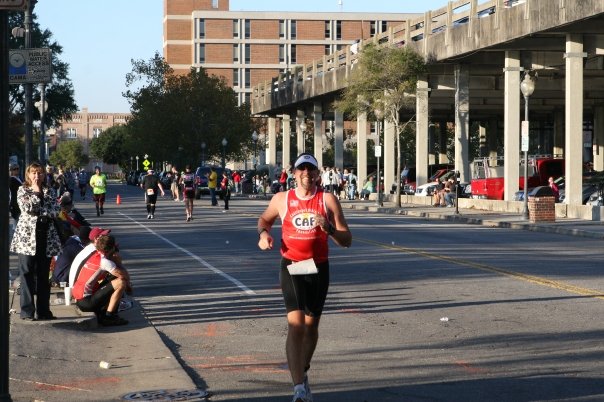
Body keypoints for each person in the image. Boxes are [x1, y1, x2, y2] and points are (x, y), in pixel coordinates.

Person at [257, 152, 352, 402]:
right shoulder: (282, 199)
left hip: (318, 268)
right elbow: (265, 220)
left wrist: (329, 229)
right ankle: (298, 388)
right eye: (302, 169)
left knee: (311, 328)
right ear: (294, 173)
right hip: (292, 265)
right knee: (296, 325)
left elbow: (347, 240)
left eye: (311, 169)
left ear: (317, 174)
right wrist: (263, 235)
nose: (306, 174)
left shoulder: (328, 200)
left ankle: (303, 370)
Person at [10, 162, 63, 321]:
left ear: (44, 175)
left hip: (46, 237)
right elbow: (27, 208)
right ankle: (27, 311)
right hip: (27, 239)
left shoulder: (50, 191)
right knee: (26, 273)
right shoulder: (22, 190)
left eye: (39, 173)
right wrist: (36, 193)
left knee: (43, 275)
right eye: (33, 173)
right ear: (28, 175)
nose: (37, 176)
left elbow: (55, 211)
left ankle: (44, 311)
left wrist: (42, 209)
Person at [72, 234, 132, 326]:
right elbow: (124, 275)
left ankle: (106, 312)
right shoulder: (104, 262)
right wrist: (119, 263)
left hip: (79, 297)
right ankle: (109, 317)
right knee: (120, 282)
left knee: (113, 278)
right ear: (112, 248)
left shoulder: (95, 255)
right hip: (86, 301)